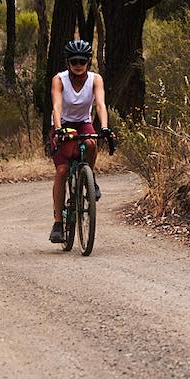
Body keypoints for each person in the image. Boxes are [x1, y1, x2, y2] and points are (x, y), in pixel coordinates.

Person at [49, 38, 110, 243]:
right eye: (74, 61)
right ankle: (58, 223)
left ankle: (89, 177)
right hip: (63, 123)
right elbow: (57, 106)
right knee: (62, 171)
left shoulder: (95, 79)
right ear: (68, 62)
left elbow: (100, 104)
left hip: (83, 122)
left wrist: (104, 127)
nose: (78, 65)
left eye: (82, 61)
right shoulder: (59, 79)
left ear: (88, 61)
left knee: (92, 142)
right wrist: (58, 129)